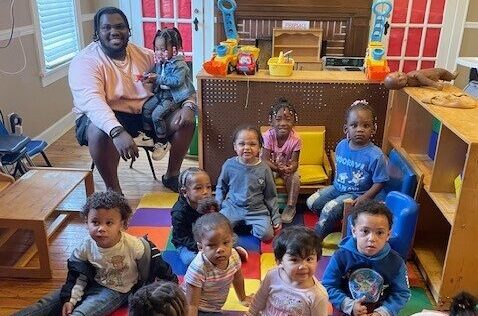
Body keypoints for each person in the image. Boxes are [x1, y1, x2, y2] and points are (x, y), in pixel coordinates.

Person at [69, 7, 195, 193]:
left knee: (185, 120)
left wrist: (189, 104)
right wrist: (117, 131)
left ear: (129, 30)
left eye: (120, 26)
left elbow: (180, 80)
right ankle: (114, 192)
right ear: (97, 33)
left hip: (143, 112)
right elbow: (93, 103)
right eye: (107, 27)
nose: (114, 31)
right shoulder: (85, 62)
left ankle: (171, 176)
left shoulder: (145, 55)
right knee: (100, 130)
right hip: (103, 115)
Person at [15, 190, 177, 316]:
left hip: (117, 291)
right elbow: (76, 276)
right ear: (86, 222)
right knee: (45, 304)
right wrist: (70, 299)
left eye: (109, 223)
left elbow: (157, 263)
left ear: (122, 223)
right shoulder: (84, 247)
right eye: (95, 222)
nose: (101, 228)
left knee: (82, 313)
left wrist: (172, 286)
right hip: (91, 282)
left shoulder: (134, 245)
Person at [306, 100, 389, 240]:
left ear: (373, 129)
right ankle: (332, 219)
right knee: (311, 202)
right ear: (346, 129)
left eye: (366, 125)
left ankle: (315, 238)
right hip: (337, 188)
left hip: (356, 194)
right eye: (354, 125)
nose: (360, 129)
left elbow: (380, 182)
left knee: (329, 210)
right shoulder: (341, 146)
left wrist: (365, 197)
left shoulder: (376, 155)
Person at [322, 200, 410, 316]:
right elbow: (328, 285)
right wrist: (349, 305)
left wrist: (383, 312)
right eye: (365, 231)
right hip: (346, 310)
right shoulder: (341, 256)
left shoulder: (396, 262)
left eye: (379, 233)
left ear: (388, 235)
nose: (371, 238)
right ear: (354, 231)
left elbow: (402, 293)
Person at [171, 167, 248, 266]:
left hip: (210, 238)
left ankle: (233, 250)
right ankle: (219, 254)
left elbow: (216, 222)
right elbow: (181, 237)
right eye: (198, 188)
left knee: (233, 238)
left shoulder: (209, 204)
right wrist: (203, 247)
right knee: (190, 260)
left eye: (208, 187)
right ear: (185, 192)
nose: (205, 192)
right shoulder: (179, 212)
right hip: (189, 243)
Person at [139, 27, 196, 161]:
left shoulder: (180, 65)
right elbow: (156, 74)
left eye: (163, 49)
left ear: (175, 49)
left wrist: (157, 78)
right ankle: (148, 136)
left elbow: (176, 81)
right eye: (157, 49)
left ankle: (162, 141)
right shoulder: (161, 62)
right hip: (162, 93)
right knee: (146, 109)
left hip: (174, 96)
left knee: (156, 115)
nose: (159, 52)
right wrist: (147, 76)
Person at [216, 125, 282, 242]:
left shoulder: (265, 168)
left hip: (257, 210)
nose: (247, 148)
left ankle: (248, 227)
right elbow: (221, 187)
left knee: (267, 235)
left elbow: (270, 196)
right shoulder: (229, 165)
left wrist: (276, 217)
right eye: (242, 144)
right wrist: (218, 205)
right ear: (235, 147)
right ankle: (235, 229)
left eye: (252, 144)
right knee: (218, 230)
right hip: (232, 207)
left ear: (260, 148)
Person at [247, 226, 329, 316]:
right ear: (279, 261)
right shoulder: (272, 276)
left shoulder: (318, 296)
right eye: (294, 260)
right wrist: (250, 314)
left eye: (309, 259)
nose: (303, 266)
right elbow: (260, 299)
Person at [183, 212, 252, 315]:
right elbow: (192, 305)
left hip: (214, 306)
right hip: (199, 309)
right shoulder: (198, 268)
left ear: (232, 240)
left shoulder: (233, 256)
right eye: (212, 245)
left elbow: (237, 278)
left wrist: (243, 298)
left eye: (225, 243)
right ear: (200, 247)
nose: (220, 249)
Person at [261, 97, 301, 224]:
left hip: (285, 167)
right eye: (278, 119)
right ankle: (269, 205)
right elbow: (265, 159)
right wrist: (277, 168)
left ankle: (290, 207)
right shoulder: (268, 136)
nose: (283, 123)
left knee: (294, 178)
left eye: (288, 119)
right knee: (266, 174)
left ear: (294, 121)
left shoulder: (296, 139)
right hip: (271, 166)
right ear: (271, 121)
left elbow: (295, 162)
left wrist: (290, 168)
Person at [384, 68, 458, 90]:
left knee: (443, 72)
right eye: (400, 81)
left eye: (399, 75)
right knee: (443, 75)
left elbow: (423, 80)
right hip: (433, 78)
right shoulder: (408, 83)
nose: (402, 78)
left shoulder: (410, 75)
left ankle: (452, 76)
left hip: (433, 73)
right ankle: (450, 77)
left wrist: (435, 85)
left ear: (397, 71)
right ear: (399, 87)